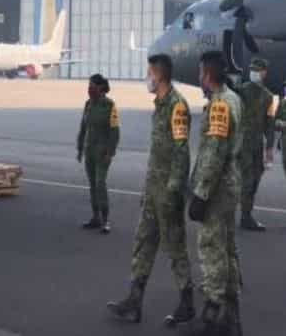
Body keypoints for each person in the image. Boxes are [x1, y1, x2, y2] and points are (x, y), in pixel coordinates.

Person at [107, 54, 195, 326]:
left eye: (149, 73)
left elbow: (181, 153)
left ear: (159, 76)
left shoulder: (177, 105)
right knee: (143, 243)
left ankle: (187, 303)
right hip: (154, 190)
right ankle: (134, 302)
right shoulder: (159, 105)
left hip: (168, 193)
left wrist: (172, 190)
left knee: (175, 247)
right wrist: (147, 190)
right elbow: (157, 155)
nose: (147, 78)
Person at [188, 51, 242, 336]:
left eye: (200, 73)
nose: (199, 79)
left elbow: (215, 152)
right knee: (228, 251)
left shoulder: (221, 104)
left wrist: (201, 193)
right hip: (229, 186)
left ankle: (212, 317)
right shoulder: (233, 98)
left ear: (208, 75)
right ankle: (231, 317)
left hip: (217, 189)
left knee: (211, 249)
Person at [77, 73, 120, 234]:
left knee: (100, 183)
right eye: (88, 86)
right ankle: (95, 218)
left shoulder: (110, 106)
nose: (89, 89)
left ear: (100, 87)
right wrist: (80, 148)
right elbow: (83, 128)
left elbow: (115, 131)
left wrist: (111, 151)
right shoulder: (88, 104)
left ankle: (106, 220)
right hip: (90, 151)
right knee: (92, 185)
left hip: (103, 152)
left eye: (92, 86)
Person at [235, 57, 274, 231]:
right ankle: (243, 215)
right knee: (246, 180)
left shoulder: (268, 97)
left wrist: (270, 147)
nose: (254, 73)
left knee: (255, 177)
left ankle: (246, 213)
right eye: (252, 69)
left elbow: (270, 123)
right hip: (242, 144)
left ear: (264, 72)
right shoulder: (242, 91)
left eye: (257, 70)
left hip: (256, 145)